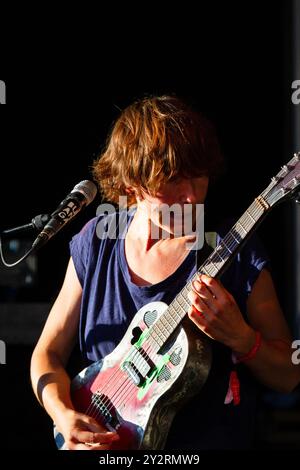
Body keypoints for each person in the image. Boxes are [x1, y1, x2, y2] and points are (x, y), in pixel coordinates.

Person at [30, 95, 300, 450]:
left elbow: (289, 374)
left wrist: (243, 339)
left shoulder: (239, 255)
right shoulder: (96, 244)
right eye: (173, 179)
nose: (191, 198)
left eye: (198, 176)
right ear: (131, 185)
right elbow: (47, 355)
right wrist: (64, 415)